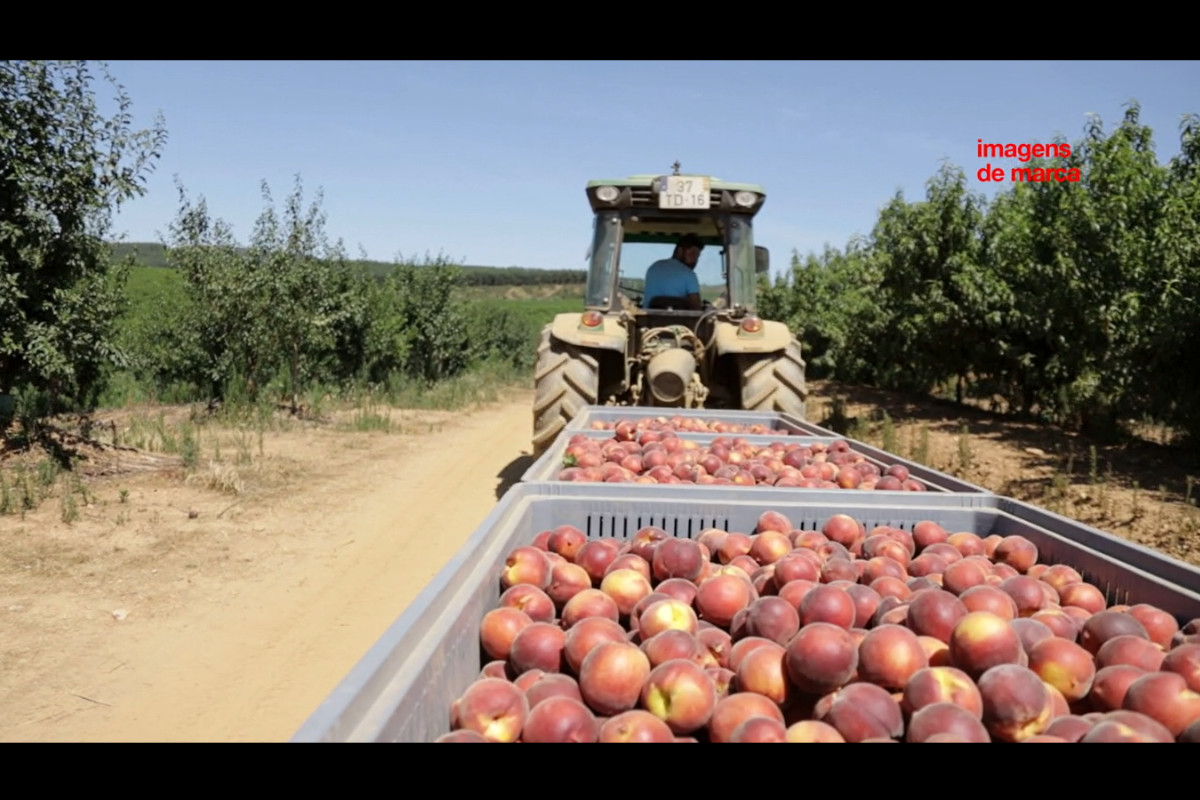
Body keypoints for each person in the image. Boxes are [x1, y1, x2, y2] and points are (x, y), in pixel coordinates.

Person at [641, 234, 704, 310]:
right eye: (692, 254)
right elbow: (696, 308)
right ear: (679, 251)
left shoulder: (653, 268)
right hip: (680, 321)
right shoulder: (690, 275)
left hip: (648, 320)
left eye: (697, 256)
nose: (695, 260)